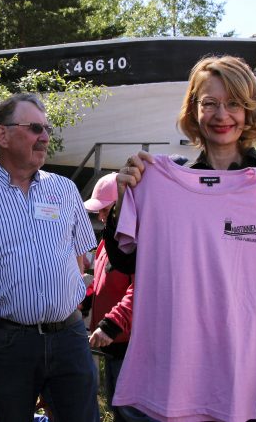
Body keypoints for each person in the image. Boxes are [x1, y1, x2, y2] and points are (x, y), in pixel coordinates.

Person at [105, 55, 256, 421]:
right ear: (194, 110)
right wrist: (125, 200)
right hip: (179, 363)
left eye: (233, 104)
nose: (221, 115)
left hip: (255, 364)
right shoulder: (161, 182)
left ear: (249, 112)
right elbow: (124, 261)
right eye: (209, 103)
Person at [0, 93, 99, 422]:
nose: (44, 136)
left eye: (46, 128)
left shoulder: (66, 190)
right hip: (10, 343)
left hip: (70, 338)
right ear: (3, 135)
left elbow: (80, 260)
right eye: (34, 128)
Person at [84, 173, 158, 422]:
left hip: (130, 344)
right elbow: (100, 280)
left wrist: (111, 324)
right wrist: (83, 301)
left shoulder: (139, 242)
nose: (100, 216)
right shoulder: (108, 239)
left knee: (132, 412)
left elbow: (143, 291)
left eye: (104, 210)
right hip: (112, 345)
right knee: (118, 408)